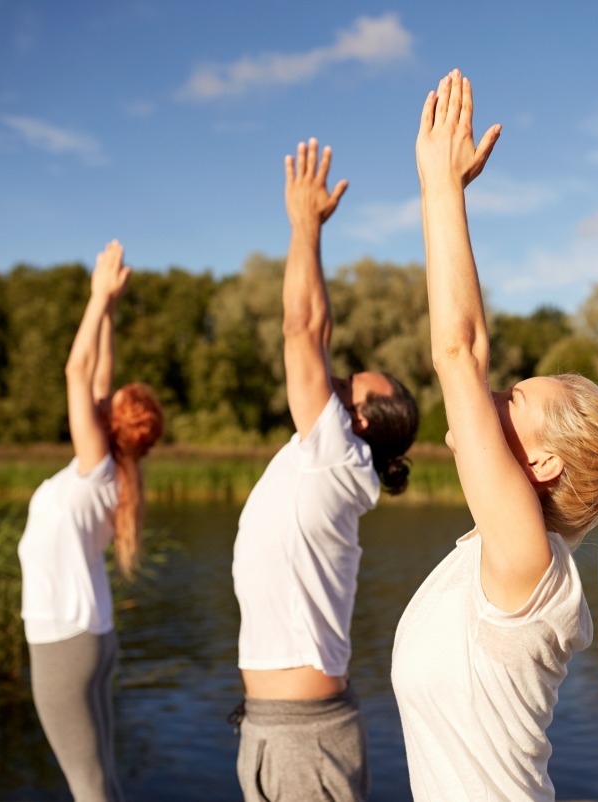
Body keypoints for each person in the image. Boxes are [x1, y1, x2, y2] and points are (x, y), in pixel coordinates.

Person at [391, 69, 598, 802]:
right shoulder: (494, 554)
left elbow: (458, 352)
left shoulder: (526, 565)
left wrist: (441, 189)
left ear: (539, 462)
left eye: (511, 398)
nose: (486, 399)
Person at [231, 138, 420, 802]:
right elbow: (318, 331)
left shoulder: (335, 457)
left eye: (346, 390)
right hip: (276, 726)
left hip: (301, 734)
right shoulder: (325, 457)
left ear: (360, 424)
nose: (330, 385)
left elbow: (302, 329)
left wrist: (304, 228)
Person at [18, 240, 164, 802]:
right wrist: (109, 309)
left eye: (113, 399)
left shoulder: (96, 467)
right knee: (101, 775)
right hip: (92, 640)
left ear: (112, 421)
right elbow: (98, 373)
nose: (104, 394)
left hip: (62, 642)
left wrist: (96, 296)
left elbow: (77, 370)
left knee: (88, 785)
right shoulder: (113, 472)